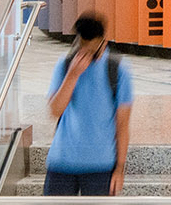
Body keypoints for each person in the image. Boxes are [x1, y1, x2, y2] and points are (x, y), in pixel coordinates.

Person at [45, 13, 133, 195]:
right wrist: (72, 75)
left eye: (92, 51)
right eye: (82, 47)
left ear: (103, 42)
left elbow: (122, 125)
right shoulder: (65, 65)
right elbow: (55, 111)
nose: (86, 54)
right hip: (62, 163)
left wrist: (119, 169)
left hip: (100, 167)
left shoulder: (118, 70)